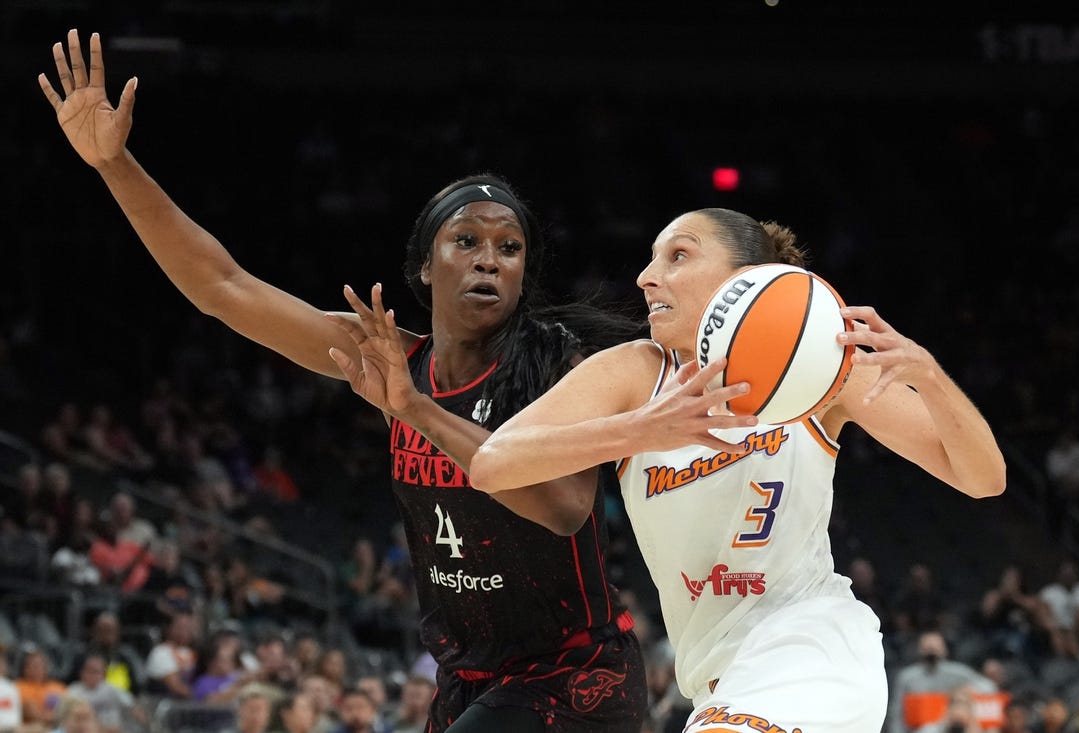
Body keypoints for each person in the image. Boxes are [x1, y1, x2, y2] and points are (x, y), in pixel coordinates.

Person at [40, 29, 647, 733]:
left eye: (509, 249)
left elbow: (566, 507)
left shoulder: (556, 365)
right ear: (425, 265)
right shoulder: (392, 357)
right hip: (468, 679)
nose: (490, 260)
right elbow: (223, 286)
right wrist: (115, 166)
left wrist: (413, 410)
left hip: (572, 675)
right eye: (467, 242)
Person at [468, 208, 1007, 732]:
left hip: (813, 649)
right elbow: (493, 465)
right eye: (652, 260)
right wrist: (642, 429)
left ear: (747, 281)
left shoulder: (822, 368)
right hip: (716, 681)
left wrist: (930, 376)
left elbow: (983, 479)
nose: (646, 277)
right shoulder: (636, 373)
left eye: (678, 256)